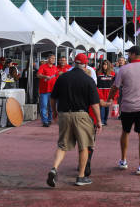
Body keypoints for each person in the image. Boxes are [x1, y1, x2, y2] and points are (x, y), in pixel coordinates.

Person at [46, 53, 103, 187]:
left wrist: (54, 112)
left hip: (64, 114)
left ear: (73, 63)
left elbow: (53, 98)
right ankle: (81, 176)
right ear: (85, 64)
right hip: (81, 115)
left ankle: (54, 168)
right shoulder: (88, 80)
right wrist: (99, 121)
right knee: (84, 146)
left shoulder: (63, 77)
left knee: (62, 145)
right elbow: (95, 104)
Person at [107, 45, 140, 176]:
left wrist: (109, 99)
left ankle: (123, 160)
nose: (128, 56)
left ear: (134, 54)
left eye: (129, 54)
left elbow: (115, 87)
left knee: (125, 132)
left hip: (127, 107)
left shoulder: (124, 69)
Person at [37, 54, 58, 127]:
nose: (53, 60)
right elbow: (38, 75)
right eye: (52, 58)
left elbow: (57, 78)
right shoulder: (43, 66)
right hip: (44, 91)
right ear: (48, 59)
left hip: (53, 90)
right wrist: (45, 76)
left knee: (51, 107)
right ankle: (44, 121)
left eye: (54, 58)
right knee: (44, 106)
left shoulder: (55, 68)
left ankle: (49, 120)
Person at [96, 60, 116, 126]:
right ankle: (101, 120)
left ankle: (105, 120)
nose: (104, 66)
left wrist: (113, 96)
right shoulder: (98, 73)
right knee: (101, 107)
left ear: (108, 65)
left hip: (109, 93)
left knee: (107, 107)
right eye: (103, 64)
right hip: (100, 92)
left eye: (106, 64)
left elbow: (114, 84)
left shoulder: (112, 73)